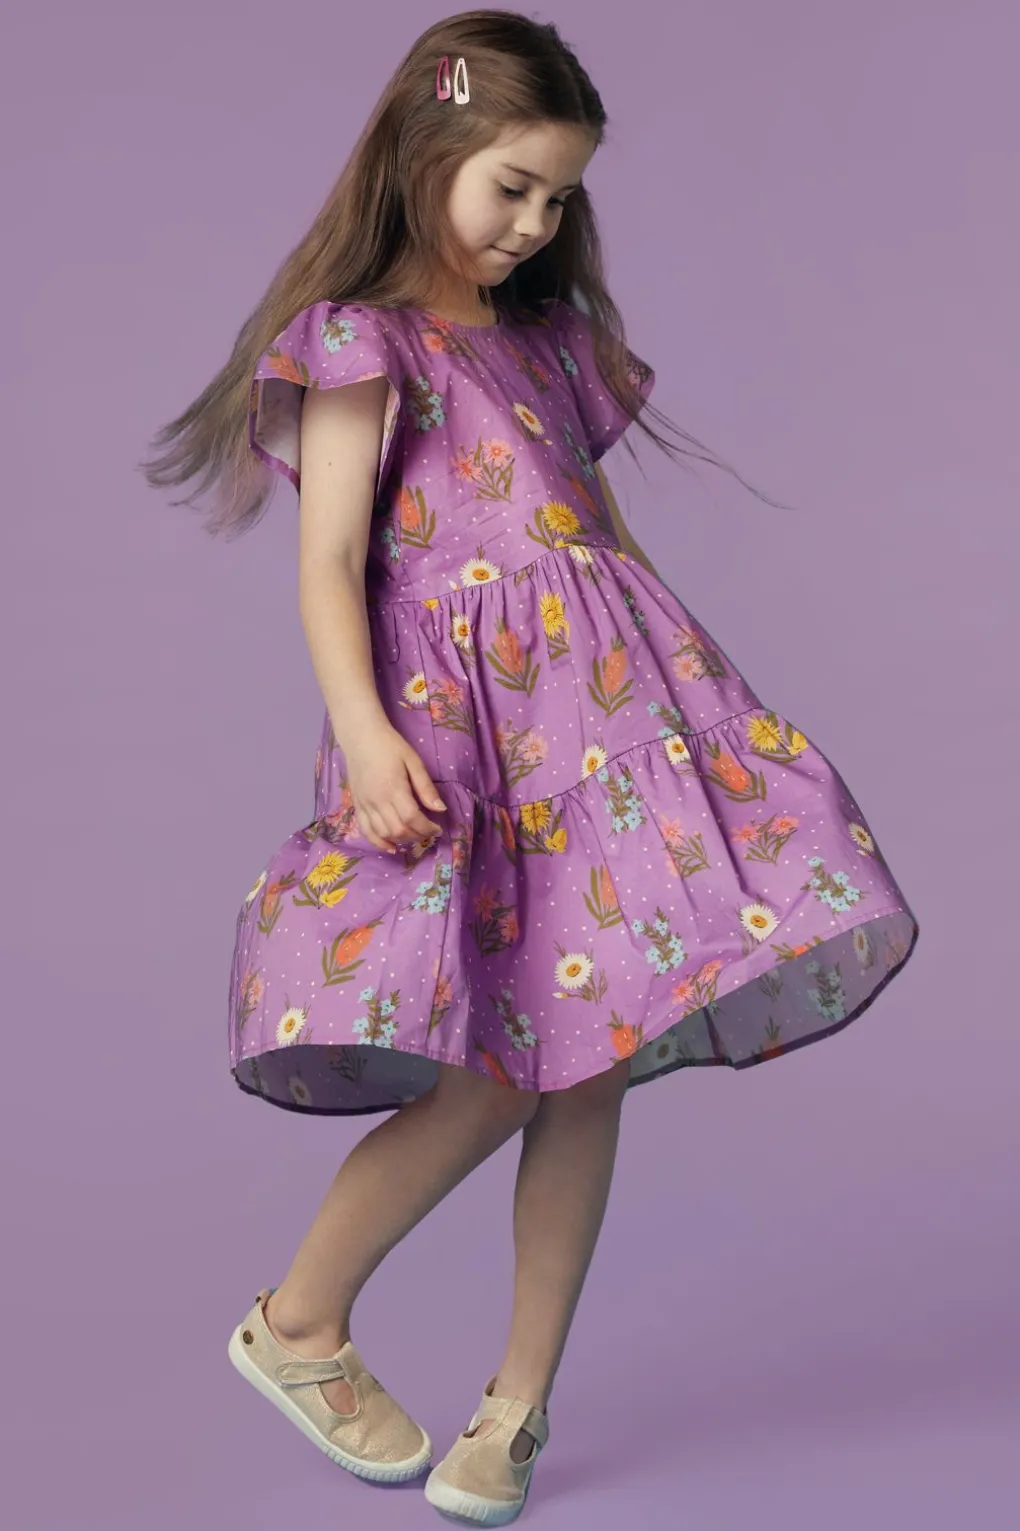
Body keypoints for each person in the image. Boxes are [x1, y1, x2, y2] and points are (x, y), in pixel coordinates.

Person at [141, 10, 920, 1526]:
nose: (535, 223)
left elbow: (600, 551)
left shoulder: (553, 343)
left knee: (591, 1062)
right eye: (512, 186)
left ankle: (514, 1408)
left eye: (560, 197)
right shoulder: (363, 337)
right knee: (501, 1073)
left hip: (609, 739)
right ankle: (299, 1321)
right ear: (427, 148)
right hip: (468, 750)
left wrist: (708, 719)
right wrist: (368, 734)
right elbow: (330, 562)